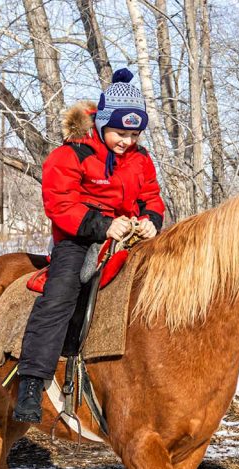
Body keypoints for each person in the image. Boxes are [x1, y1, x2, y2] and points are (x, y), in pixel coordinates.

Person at [14, 67, 165, 422]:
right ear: (100, 124)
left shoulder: (141, 159)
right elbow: (60, 204)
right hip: (78, 238)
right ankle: (32, 382)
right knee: (61, 293)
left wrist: (150, 222)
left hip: (129, 236)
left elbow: (152, 197)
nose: (126, 141)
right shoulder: (71, 154)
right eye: (119, 133)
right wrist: (103, 226)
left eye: (133, 134)